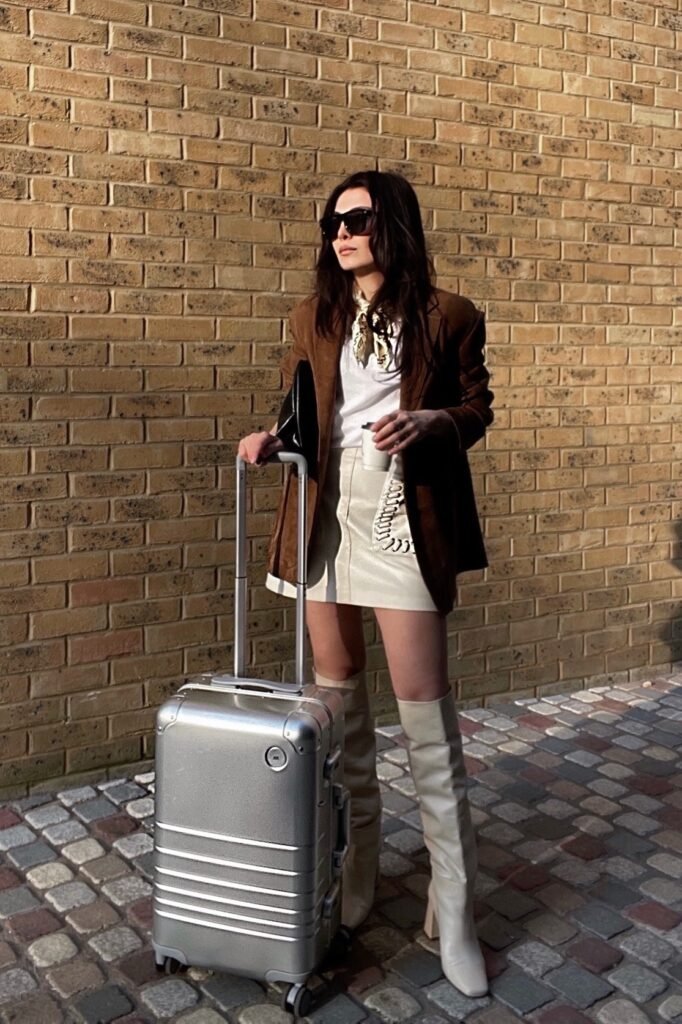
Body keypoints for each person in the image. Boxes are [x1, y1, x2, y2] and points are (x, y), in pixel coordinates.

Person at [238, 170, 493, 998]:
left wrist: (435, 422)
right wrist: (272, 437)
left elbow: (476, 407)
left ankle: (452, 907)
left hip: (401, 511)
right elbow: (305, 407)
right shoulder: (314, 315)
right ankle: (359, 875)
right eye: (332, 221)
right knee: (339, 701)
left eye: (358, 218)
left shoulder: (446, 315)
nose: (341, 232)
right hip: (322, 512)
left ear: (395, 225)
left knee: (426, 716)